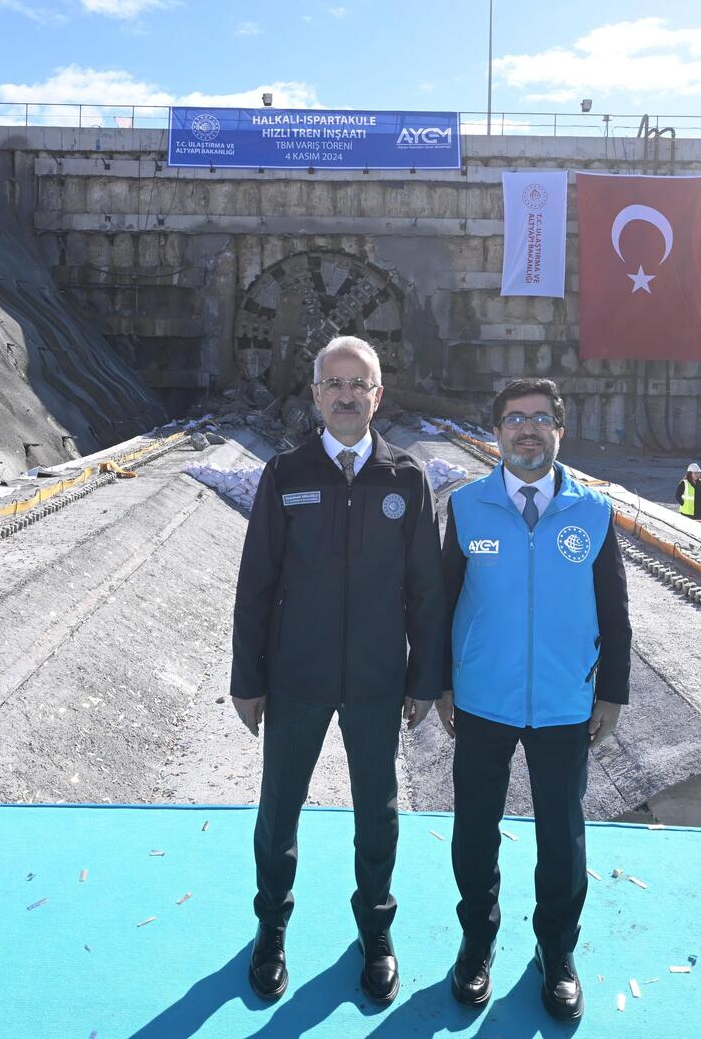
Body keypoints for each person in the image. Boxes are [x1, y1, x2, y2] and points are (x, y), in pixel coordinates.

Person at [230, 335, 446, 1005]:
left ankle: (375, 931)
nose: (347, 396)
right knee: (279, 808)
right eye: (335, 384)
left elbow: (426, 589)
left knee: (378, 812)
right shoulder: (286, 474)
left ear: (378, 396)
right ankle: (271, 927)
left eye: (359, 385)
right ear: (316, 395)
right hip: (297, 673)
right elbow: (256, 582)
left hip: (377, 678)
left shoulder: (406, 478)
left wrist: (423, 678)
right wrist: (248, 678)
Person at [438, 378, 632, 1020]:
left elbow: (614, 611)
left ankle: (557, 950)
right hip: (482, 698)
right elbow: (442, 601)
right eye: (515, 418)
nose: (528, 428)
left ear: (560, 431)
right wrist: (441, 682)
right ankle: (476, 941)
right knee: (475, 828)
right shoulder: (466, 506)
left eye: (541, 418)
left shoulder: (593, 512)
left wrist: (611, 692)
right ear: (496, 433)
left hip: (563, 702)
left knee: (562, 833)